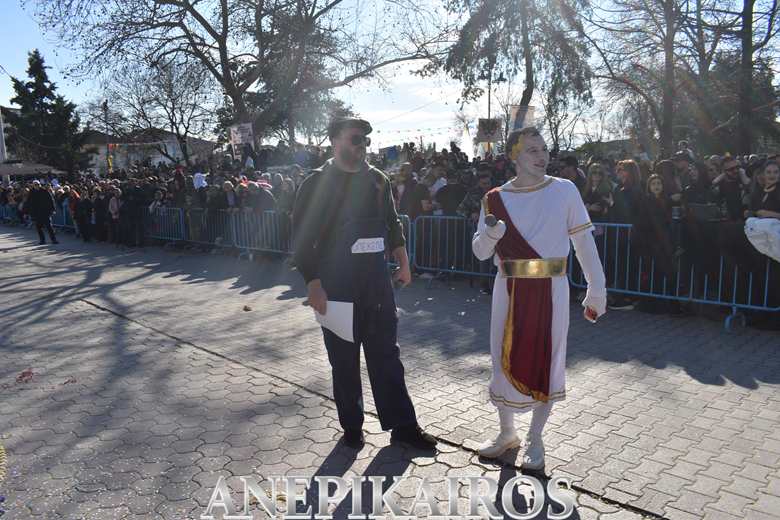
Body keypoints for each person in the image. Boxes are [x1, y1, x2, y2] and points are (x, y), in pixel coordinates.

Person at [292, 118, 437, 450]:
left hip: (376, 284)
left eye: (365, 141)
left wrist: (403, 263)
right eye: (355, 139)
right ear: (334, 141)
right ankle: (352, 426)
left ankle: (403, 426)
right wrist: (313, 283)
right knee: (343, 360)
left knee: (387, 356)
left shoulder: (377, 180)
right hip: (335, 286)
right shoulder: (315, 184)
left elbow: (392, 224)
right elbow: (300, 239)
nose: (362, 147)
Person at [470, 127, 607, 468]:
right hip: (508, 288)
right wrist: (492, 235)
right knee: (502, 358)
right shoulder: (494, 198)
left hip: (552, 289)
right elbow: (480, 252)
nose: (541, 155)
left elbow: (583, 242)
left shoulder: (564, 190)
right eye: (532, 150)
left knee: (548, 359)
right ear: (514, 156)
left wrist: (597, 288)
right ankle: (506, 433)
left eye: (544, 149)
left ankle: (536, 437)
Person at [26, 181, 58, 245]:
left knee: (49, 227)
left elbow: (51, 200)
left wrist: (53, 209)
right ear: (33, 186)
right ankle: (42, 240)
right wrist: (28, 212)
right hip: (37, 213)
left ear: (40, 184)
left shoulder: (45, 191)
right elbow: (29, 203)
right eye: (35, 185)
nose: (37, 186)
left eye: (38, 184)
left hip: (45, 212)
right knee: (39, 227)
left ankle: (54, 240)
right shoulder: (31, 193)